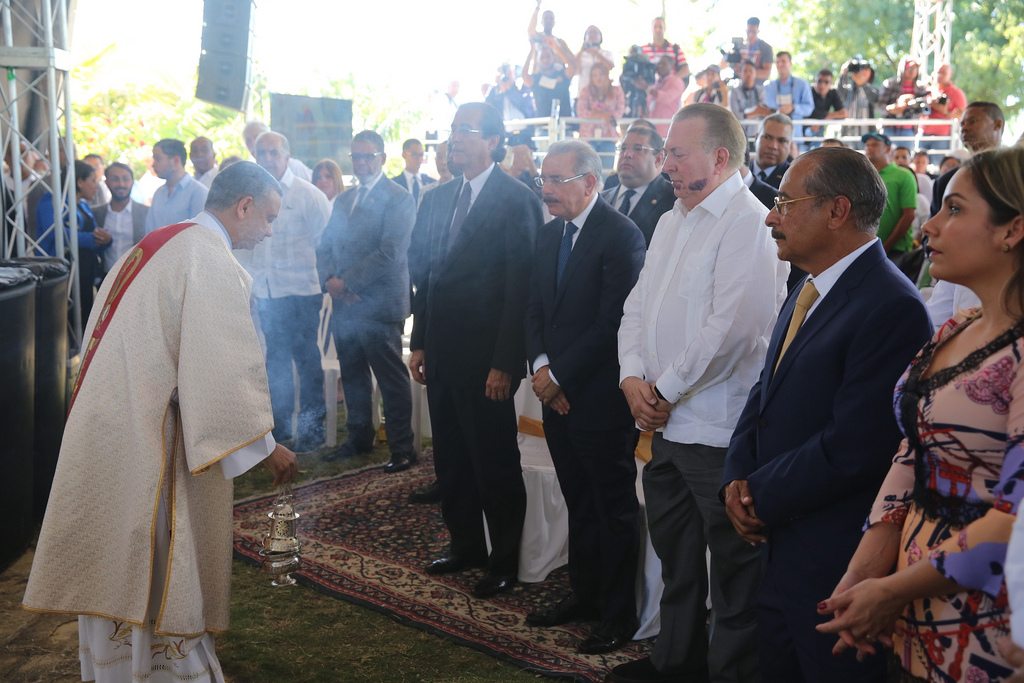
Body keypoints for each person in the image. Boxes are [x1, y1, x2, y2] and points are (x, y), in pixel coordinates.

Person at [22, 161, 299, 683]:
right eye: (268, 218)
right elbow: (219, 371)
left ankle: (114, 671)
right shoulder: (206, 257)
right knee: (154, 562)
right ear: (243, 206)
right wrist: (266, 448)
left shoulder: (159, 243)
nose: (268, 232)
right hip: (149, 437)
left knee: (117, 559)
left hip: (108, 424)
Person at [721, 147, 932, 681]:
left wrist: (758, 494)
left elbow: (856, 445)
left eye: (785, 204)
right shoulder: (808, 283)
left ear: (837, 211)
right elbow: (766, 391)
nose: (771, 218)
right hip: (780, 545)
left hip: (833, 557)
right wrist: (736, 476)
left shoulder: (893, 306)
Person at [817, 145, 1024, 681]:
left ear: (1012, 229)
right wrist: (863, 573)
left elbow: (1015, 516)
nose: (929, 226)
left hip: (989, 624)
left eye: (954, 209)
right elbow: (913, 451)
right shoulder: (956, 328)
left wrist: (890, 590)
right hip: (913, 612)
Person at [610, 103, 788, 683]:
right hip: (663, 423)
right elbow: (638, 307)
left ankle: (729, 673)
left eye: (676, 153)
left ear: (718, 158)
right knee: (676, 557)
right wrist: (631, 377)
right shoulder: (672, 219)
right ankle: (675, 663)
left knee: (734, 570)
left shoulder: (748, 221)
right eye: (665, 152)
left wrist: (660, 391)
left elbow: (734, 330)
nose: (665, 164)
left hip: (716, 430)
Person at [409, 102, 543, 598]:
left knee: (494, 464)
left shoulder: (517, 199)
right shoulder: (437, 197)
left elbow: (521, 288)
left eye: (465, 130)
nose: (454, 139)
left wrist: (505, 363)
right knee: (451, 459)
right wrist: (419, 341)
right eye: (452, 130)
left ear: (492, 140)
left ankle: (503, 561)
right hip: (442, 353)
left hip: (488, 362)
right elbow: (428, 277)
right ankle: (465, 545)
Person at [524, 140, 646, 655]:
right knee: (578, 500)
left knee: (612, 506)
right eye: (544, 180)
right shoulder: (548, 233)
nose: (547, 189)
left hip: (599, 398)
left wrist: (560, 376)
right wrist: (540, 369)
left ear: (590, 182)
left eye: (558, 180)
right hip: (556, 395)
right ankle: (586, 595)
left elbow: (614, 322)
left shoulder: (621, 235)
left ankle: (618, 615)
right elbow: (534, 309)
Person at [318, 129, 418, 472]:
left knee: (390, 379)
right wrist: (331, 282)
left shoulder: (399, 197)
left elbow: (391, 252)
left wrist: (346, 282)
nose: (360, 162)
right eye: (355, 156)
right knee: (353, 375)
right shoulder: (344, 199)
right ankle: (359, 439)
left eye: (367, 156)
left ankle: (402, 448)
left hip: (379, 304)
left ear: (382, 158)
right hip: (345, 304)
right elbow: (325, 245)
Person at [247, 131, 332, 453]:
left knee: (308, 361)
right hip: (268, 294)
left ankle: (311, 431)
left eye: (274, 153)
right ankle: (280, 430)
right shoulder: (251, 197)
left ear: (287, 157)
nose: (268, 159)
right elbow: (250, 245)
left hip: (302, 292)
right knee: (275, 364)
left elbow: (327, 243)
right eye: (262, 153)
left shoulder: (308, 194)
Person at [35, 160, 111, 321]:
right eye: (93, 180)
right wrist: (93, 239)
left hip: (84, 271)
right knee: (63, 319)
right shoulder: (51, 201)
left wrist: (106, 240)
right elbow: (56, 233)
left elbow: (94, 235)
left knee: (85, 316)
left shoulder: (83, 205)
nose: (97, 186)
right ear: (80, 182)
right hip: (61, 271)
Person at [601, 125, 675, 247]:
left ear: (658, 159)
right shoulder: (601, 199)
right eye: (623, 148)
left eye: (638, 149)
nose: (627, 154)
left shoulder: (674, 201)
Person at [930, 101, 1005, 217]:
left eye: (972, 121)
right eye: (962, 124)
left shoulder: (1015, 174)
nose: (964, 128)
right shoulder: (946, 181)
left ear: (997, 125)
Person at [862, 132, 917, 266]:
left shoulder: (904, 175)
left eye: (875, 144)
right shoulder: (863, 176)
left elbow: (908, 215)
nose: (869, 148)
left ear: (888, 149)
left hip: (896, 250)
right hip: (865, 248)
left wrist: (885, 246)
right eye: (867, 145)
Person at [93, 161, 149, 272]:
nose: (121, 184)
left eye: (126, 179)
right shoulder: (96, 213)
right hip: (105, 277)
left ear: (132, 182)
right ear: (106, 183)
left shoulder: (146, 213)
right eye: (115, 179)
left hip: (138, 276)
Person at [145, 139, 209, 235]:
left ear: (176, 160)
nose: (153, 165)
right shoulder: (159, 193)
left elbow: (199, 235)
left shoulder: (198, 192)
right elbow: (149, 232)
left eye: (158, 159)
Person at [576, 62, 625, 170]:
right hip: (588, 137)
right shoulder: (586, 91)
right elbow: (581, 111)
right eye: (595, 75)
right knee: (588, 170)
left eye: (601, 74)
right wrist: (602, 116)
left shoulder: (616, 90)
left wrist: (597, 115)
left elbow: (620, 110)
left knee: (606, 170)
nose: (598, 78)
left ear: (606, 74)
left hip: (609, 136)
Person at [918, 64, 966, 155]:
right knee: (919, 160)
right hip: (923, 132)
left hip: (942, 136)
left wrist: (946, 112)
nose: (939, 75)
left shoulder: (956, 93)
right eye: (938, 72)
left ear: (950, 74)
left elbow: (963, 115)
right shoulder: (927, 91)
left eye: (943, 73)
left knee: (938, 162)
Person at [879, 56, 927, 144]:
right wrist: (891, 109)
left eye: (915, 68)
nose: (913, 71)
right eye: (910, 68)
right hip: (890, 128)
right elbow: (880, 105)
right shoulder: (890, 84)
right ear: (903, 68)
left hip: (909, 130)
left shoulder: (921, 88)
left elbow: (925, 108)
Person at [243, 120, 313, 182]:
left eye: (256, 137)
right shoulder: (252, 173)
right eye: (248, 140)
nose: (253, 143)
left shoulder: (293, 166)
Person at [523, 42, 575, 119]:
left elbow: (572, 67)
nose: (545, 60)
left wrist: (556, 47)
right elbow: (524, 75)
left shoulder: (562, 74)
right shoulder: (535, 79)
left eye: (548, 56)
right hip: (543, 124)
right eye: (542, 57)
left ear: (554, 57)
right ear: (538, 60)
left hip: (565, 123)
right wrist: (532, 49)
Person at [836, 56, 878, 147]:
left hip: (866, 137)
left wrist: (863, 84)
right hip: (847, 136)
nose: (861, 72)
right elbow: (838, 93)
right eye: (859, 69)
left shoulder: (873, 89)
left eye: (865, 69)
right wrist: (843, 74)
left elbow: (875, 100)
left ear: (870, 72)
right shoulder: (848, 90)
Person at [764, 52, 814, 122]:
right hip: (774, 125)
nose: (780, 64)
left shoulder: (802, 84)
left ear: (790, 63)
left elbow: (809, 108)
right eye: (777, 62)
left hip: (795, 127)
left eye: (783, 61)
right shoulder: (768, 87)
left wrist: (793, 107)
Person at [639, 16, 690, 82]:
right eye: (655, 27)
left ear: (665, 29)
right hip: (649, 86)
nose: (658, 30)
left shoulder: (675, 49)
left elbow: (685, 70)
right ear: (651, 29)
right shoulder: (642, 50)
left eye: (660, 27)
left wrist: (670, 81)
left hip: (671, 87)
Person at [806, 69, 847, 148]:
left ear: (831, 83)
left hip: (820, 129)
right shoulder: (808, 91)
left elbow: (844, 113)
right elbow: (808, 112)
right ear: (815, 81)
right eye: (819, 81)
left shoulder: (833, 92)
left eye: (826, 82)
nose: (822, 85)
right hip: (804, 129)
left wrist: (820, 117)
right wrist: (828, 116)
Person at [750, 113, 794, 188]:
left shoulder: (794, 180)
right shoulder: (737, 172)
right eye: (767, 137)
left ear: (790, 146)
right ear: (756, 138)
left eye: (781, 141)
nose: (773, 146)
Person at [644, 56, 685, 137]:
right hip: (653, 128)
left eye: (664, 64)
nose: (660, 66)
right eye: (658, 64)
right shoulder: (656, 84)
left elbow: (666, 98)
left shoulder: (676, 81)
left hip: (667, 129)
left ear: (672, 66)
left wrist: (646, 88)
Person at [574, 25, 614, 99]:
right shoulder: (580, 55)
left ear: (600, 36)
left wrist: (596, 53)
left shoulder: (607, 53)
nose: (593, 35)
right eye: (590, 33)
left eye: (595, 32)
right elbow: (575, 71)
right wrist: (582, 50)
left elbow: (611, 67)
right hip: (584, 94)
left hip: (603, 94)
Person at [391, 138, 436, 204]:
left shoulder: (432, 183)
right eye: (414, 154)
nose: (419, 158)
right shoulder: (393, 184)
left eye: (421, 154)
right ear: (404, 155)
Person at [729, 60, 770, 125]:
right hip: (740, 127)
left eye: (751, 71)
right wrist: (754, 113)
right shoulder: (735, 91)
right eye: (745, 71)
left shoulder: (761, 91)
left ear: (755, 73)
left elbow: (764, 112)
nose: (748, 73)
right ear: (741, 73)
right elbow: (735, 115)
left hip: (757, 127)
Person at [739, 17, 773, 81]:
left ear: (758, 31)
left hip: (758, 85)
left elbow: (766, 73)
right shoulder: (739, 46)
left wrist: (744, 72)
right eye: (749, 31)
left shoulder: (766, 48)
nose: (750, 35)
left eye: (753, 32)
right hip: (740, 84)